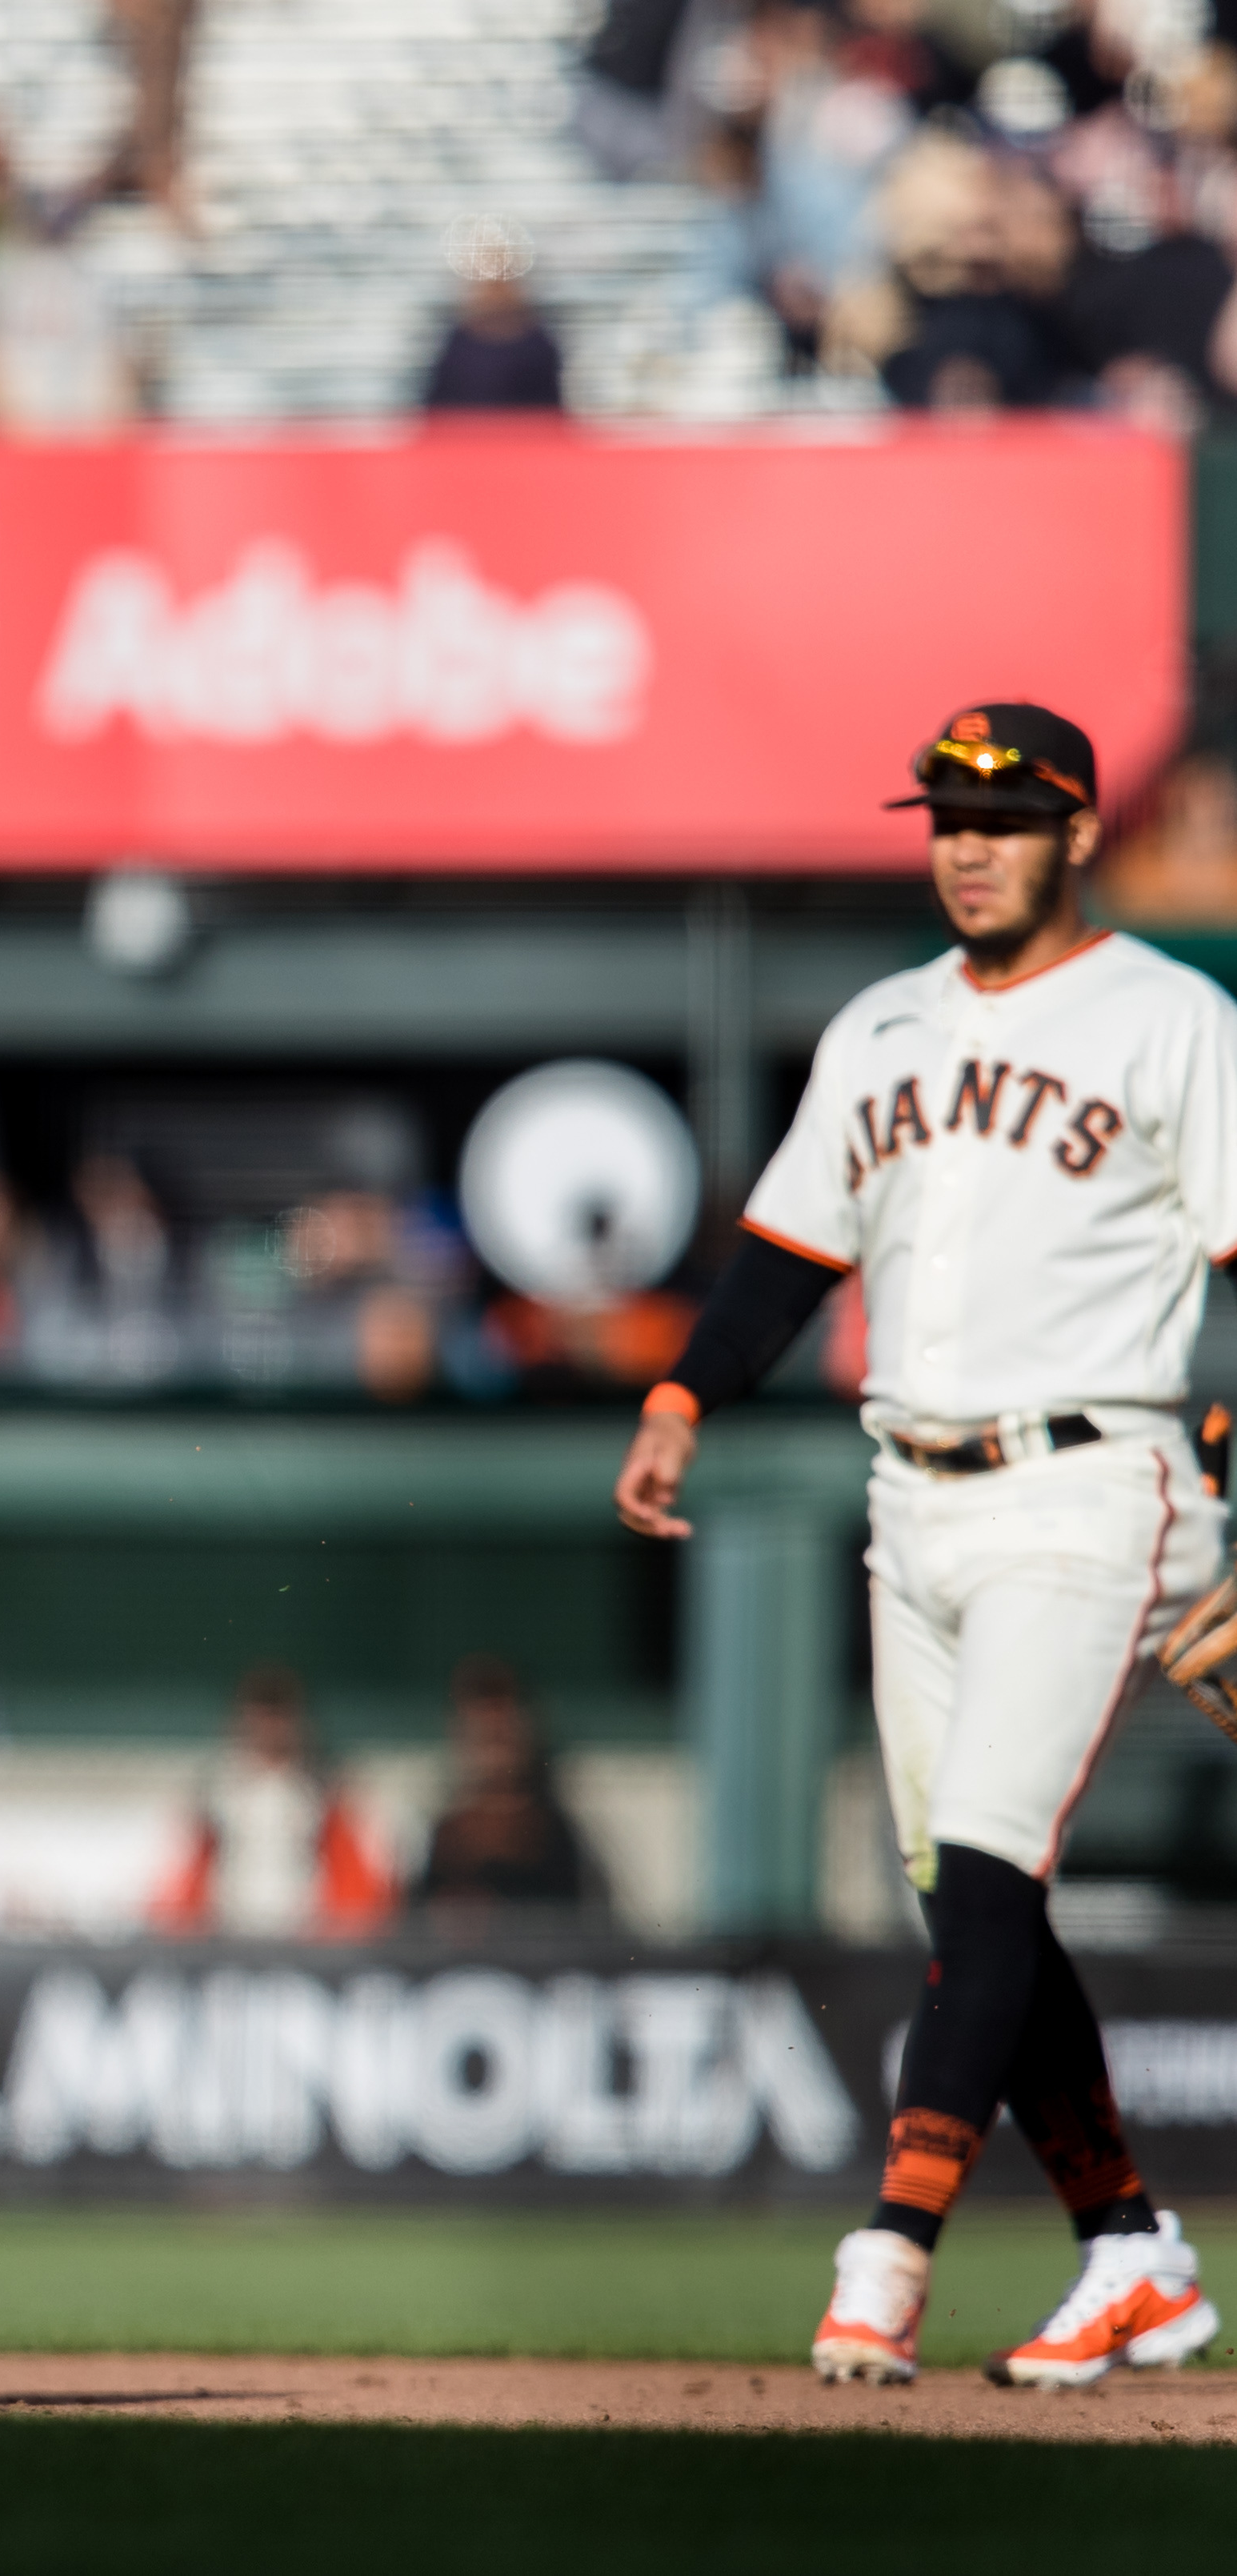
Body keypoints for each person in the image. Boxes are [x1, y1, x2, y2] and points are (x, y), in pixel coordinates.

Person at [614, 701, 1225, 2390]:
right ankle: (1129, 2254)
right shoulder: (877, 1025)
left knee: (978, 1862)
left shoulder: (1172, 1018)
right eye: (945, 814)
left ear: (1079, 831)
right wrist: (680, 1389)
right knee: (964, 1906)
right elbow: (783, 1248)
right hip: (910, 1504)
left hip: (1089, 1483)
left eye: (1006, 814)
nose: (966, 842)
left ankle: (883, 2253)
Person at [149, 1665, 395, 1939]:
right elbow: (179, 1886)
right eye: (261, 1711)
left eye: (279, 1713)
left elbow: (361, 1887)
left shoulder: (328, 1789)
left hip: (311, 1941)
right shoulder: (213, 1790)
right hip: (226, 1941)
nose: (270, 1725)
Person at [409, 1656, 605, 1925]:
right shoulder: (438, 1835)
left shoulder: (556, 1834)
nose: (493, 1753)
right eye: (481, 1737)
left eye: (501, 1736)